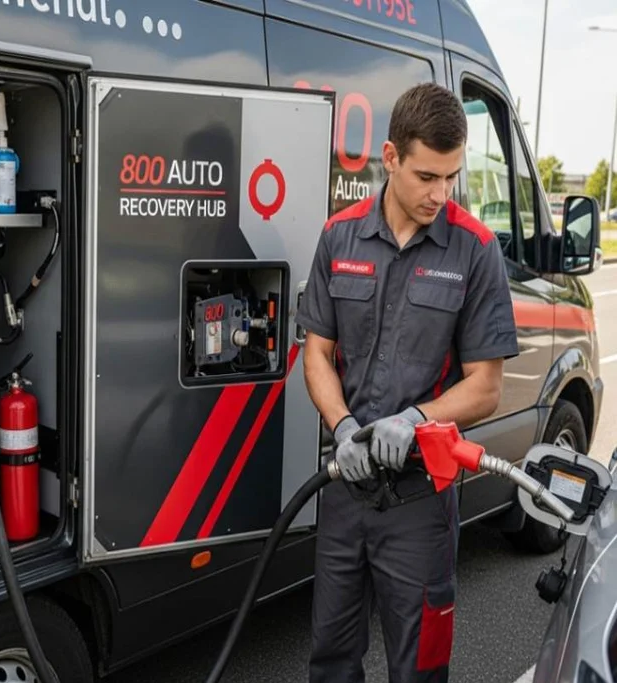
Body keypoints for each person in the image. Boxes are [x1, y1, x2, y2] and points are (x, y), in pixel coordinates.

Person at [295, 82, 520, 682]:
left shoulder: (474, 250)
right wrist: (342, 425)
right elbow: (315, 353)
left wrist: (416, 419)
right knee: (331, 662)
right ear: (390, 158)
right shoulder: (339, 236)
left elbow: (486, 386)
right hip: (346, 492)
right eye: (426, 176)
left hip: (422, 502)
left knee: (420, 669)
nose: (439, 194)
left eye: (450, 178)